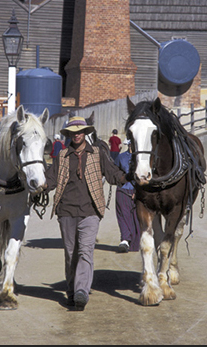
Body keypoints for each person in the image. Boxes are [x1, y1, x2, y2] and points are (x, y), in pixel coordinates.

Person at [44, 116, 129, 311]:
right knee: (71, 253)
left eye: (80, 131)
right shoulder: (62, 156)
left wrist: (128, 177)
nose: (76, 135)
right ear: (69, 135)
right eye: (73, 132)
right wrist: (41, 186)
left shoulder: (98, 154)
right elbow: (51, 179)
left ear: (85, 133)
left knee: (85, 251)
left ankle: (81, 291)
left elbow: (112, 173)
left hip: (90, 211)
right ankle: (71, 291)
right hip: (66, 211)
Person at [114, 139, 141, 253]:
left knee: (137, 218)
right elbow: (115, 171)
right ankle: (125, 239)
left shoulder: (142, 158)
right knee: (123, 216)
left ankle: (135, 244)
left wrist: (138, 191)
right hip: (123, 190)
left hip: (138, 192)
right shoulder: (121, 157)